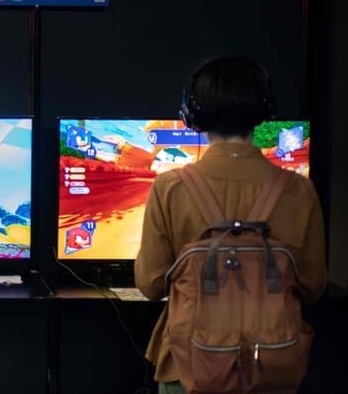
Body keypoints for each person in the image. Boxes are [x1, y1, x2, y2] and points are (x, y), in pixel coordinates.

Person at [134, 56, 328, 394]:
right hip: (272, 367)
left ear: (192, 114)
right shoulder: (299, 190)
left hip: (190, 367)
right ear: (265, 110)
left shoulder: (170, 188)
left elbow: (151, 285)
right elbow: (313, 286)